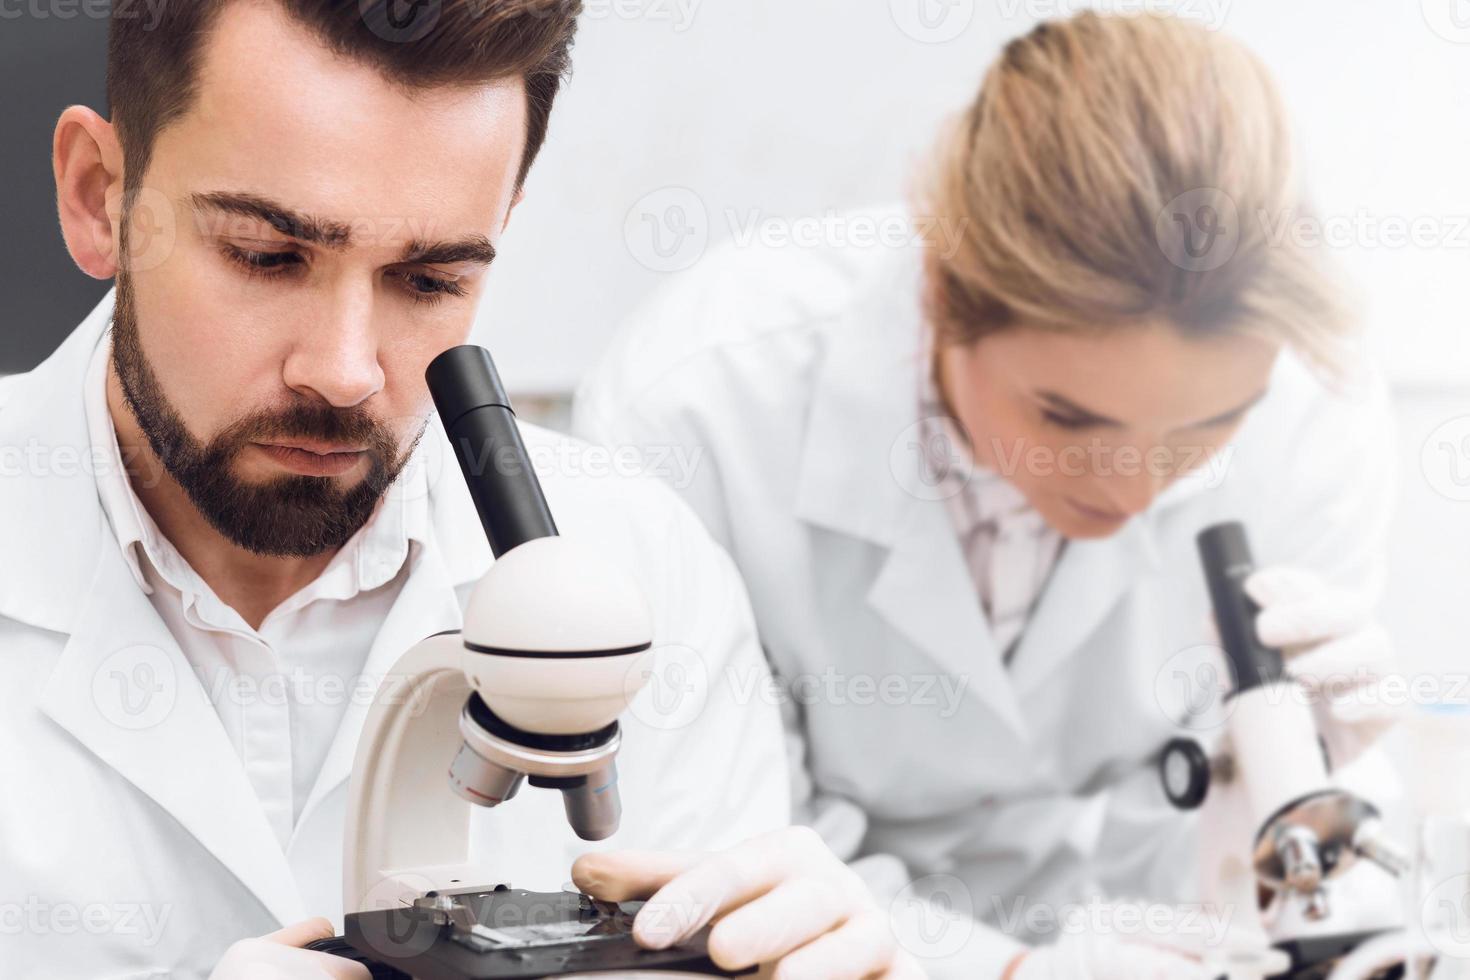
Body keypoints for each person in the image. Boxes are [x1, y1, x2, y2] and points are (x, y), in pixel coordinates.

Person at [573, 12, 1401, 979]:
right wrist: (1007, 972)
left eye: (1205, 428)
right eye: (1069, 418)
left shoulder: (1310, 413)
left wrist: (1270, 781)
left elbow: (1220, 886)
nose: (1133, 489)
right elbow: (711, 844)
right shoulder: (700, 408)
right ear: (939, 285)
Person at [0, 2, 797, 977]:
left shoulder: (643, 560)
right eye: (266, 255)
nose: (344, 372)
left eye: (429, 280)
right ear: (99, 197)